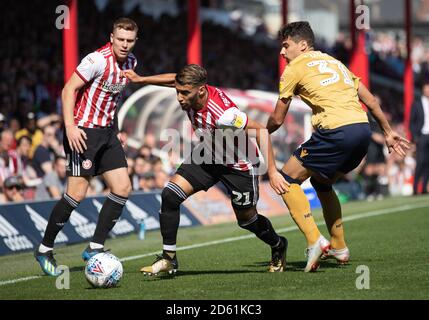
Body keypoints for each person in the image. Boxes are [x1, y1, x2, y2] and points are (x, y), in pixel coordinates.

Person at [34, 17, 175, 277]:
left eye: (129, 41)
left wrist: (117, 129)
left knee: (122, 187)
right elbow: (68, 91)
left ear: (135, 41)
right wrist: (70, 126)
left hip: (108, 132)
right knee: (76, 194)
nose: (124, 44)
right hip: (83, 132)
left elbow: (113, 99)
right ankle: (44, 249)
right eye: (120, 39)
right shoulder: (96, 60)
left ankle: (95, 247)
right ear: (111, 37)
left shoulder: (131, 63)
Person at [266, 22, 410, 272]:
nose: (282, 52)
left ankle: (314, 241)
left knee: (286, 180)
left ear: (303, 45)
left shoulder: (294, 68)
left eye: (285, 45)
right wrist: (387, 132)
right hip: (362, 131)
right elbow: (371, 100)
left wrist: (259, 130)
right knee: (322, 183)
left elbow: (278, 119)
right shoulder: (335, 63)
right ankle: (339, 246)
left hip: (336, 131)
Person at [125, 64, 289, 275]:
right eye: (177, 92)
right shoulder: (190, 90)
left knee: (247, 221)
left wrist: (273, 172)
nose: (179, 98)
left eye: (185, 93)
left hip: (239, 166)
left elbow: (262, 133)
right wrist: (141, 79)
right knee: (170, 196)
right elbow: (174, 79)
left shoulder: (224, 114)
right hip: (209, 155)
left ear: (201, 90)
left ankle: (278, 244)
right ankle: (169, 259)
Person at [410, 81, 429, 194]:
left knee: (428, 163)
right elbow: (411, 122)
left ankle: (424, 188)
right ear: (423, 90)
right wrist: (415, 137)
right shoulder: (417, 103)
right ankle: (415, 188)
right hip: (422, 136)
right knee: (420, 162)